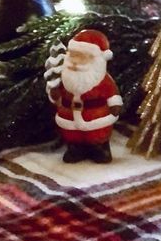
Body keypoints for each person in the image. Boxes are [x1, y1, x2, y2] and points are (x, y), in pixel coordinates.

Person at [46, 28, 123, 163]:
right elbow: (57, 94)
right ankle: (75, 149)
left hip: (96, 117)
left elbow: (112, 93)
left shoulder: (102, 79)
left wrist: (115, 104)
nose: (75, 61)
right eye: (73, 55)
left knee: (97, 135)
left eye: (82, 57)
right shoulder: (65, 77)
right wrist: (55, 94)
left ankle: (99, 149)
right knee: (72, 135)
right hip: (68, 116)